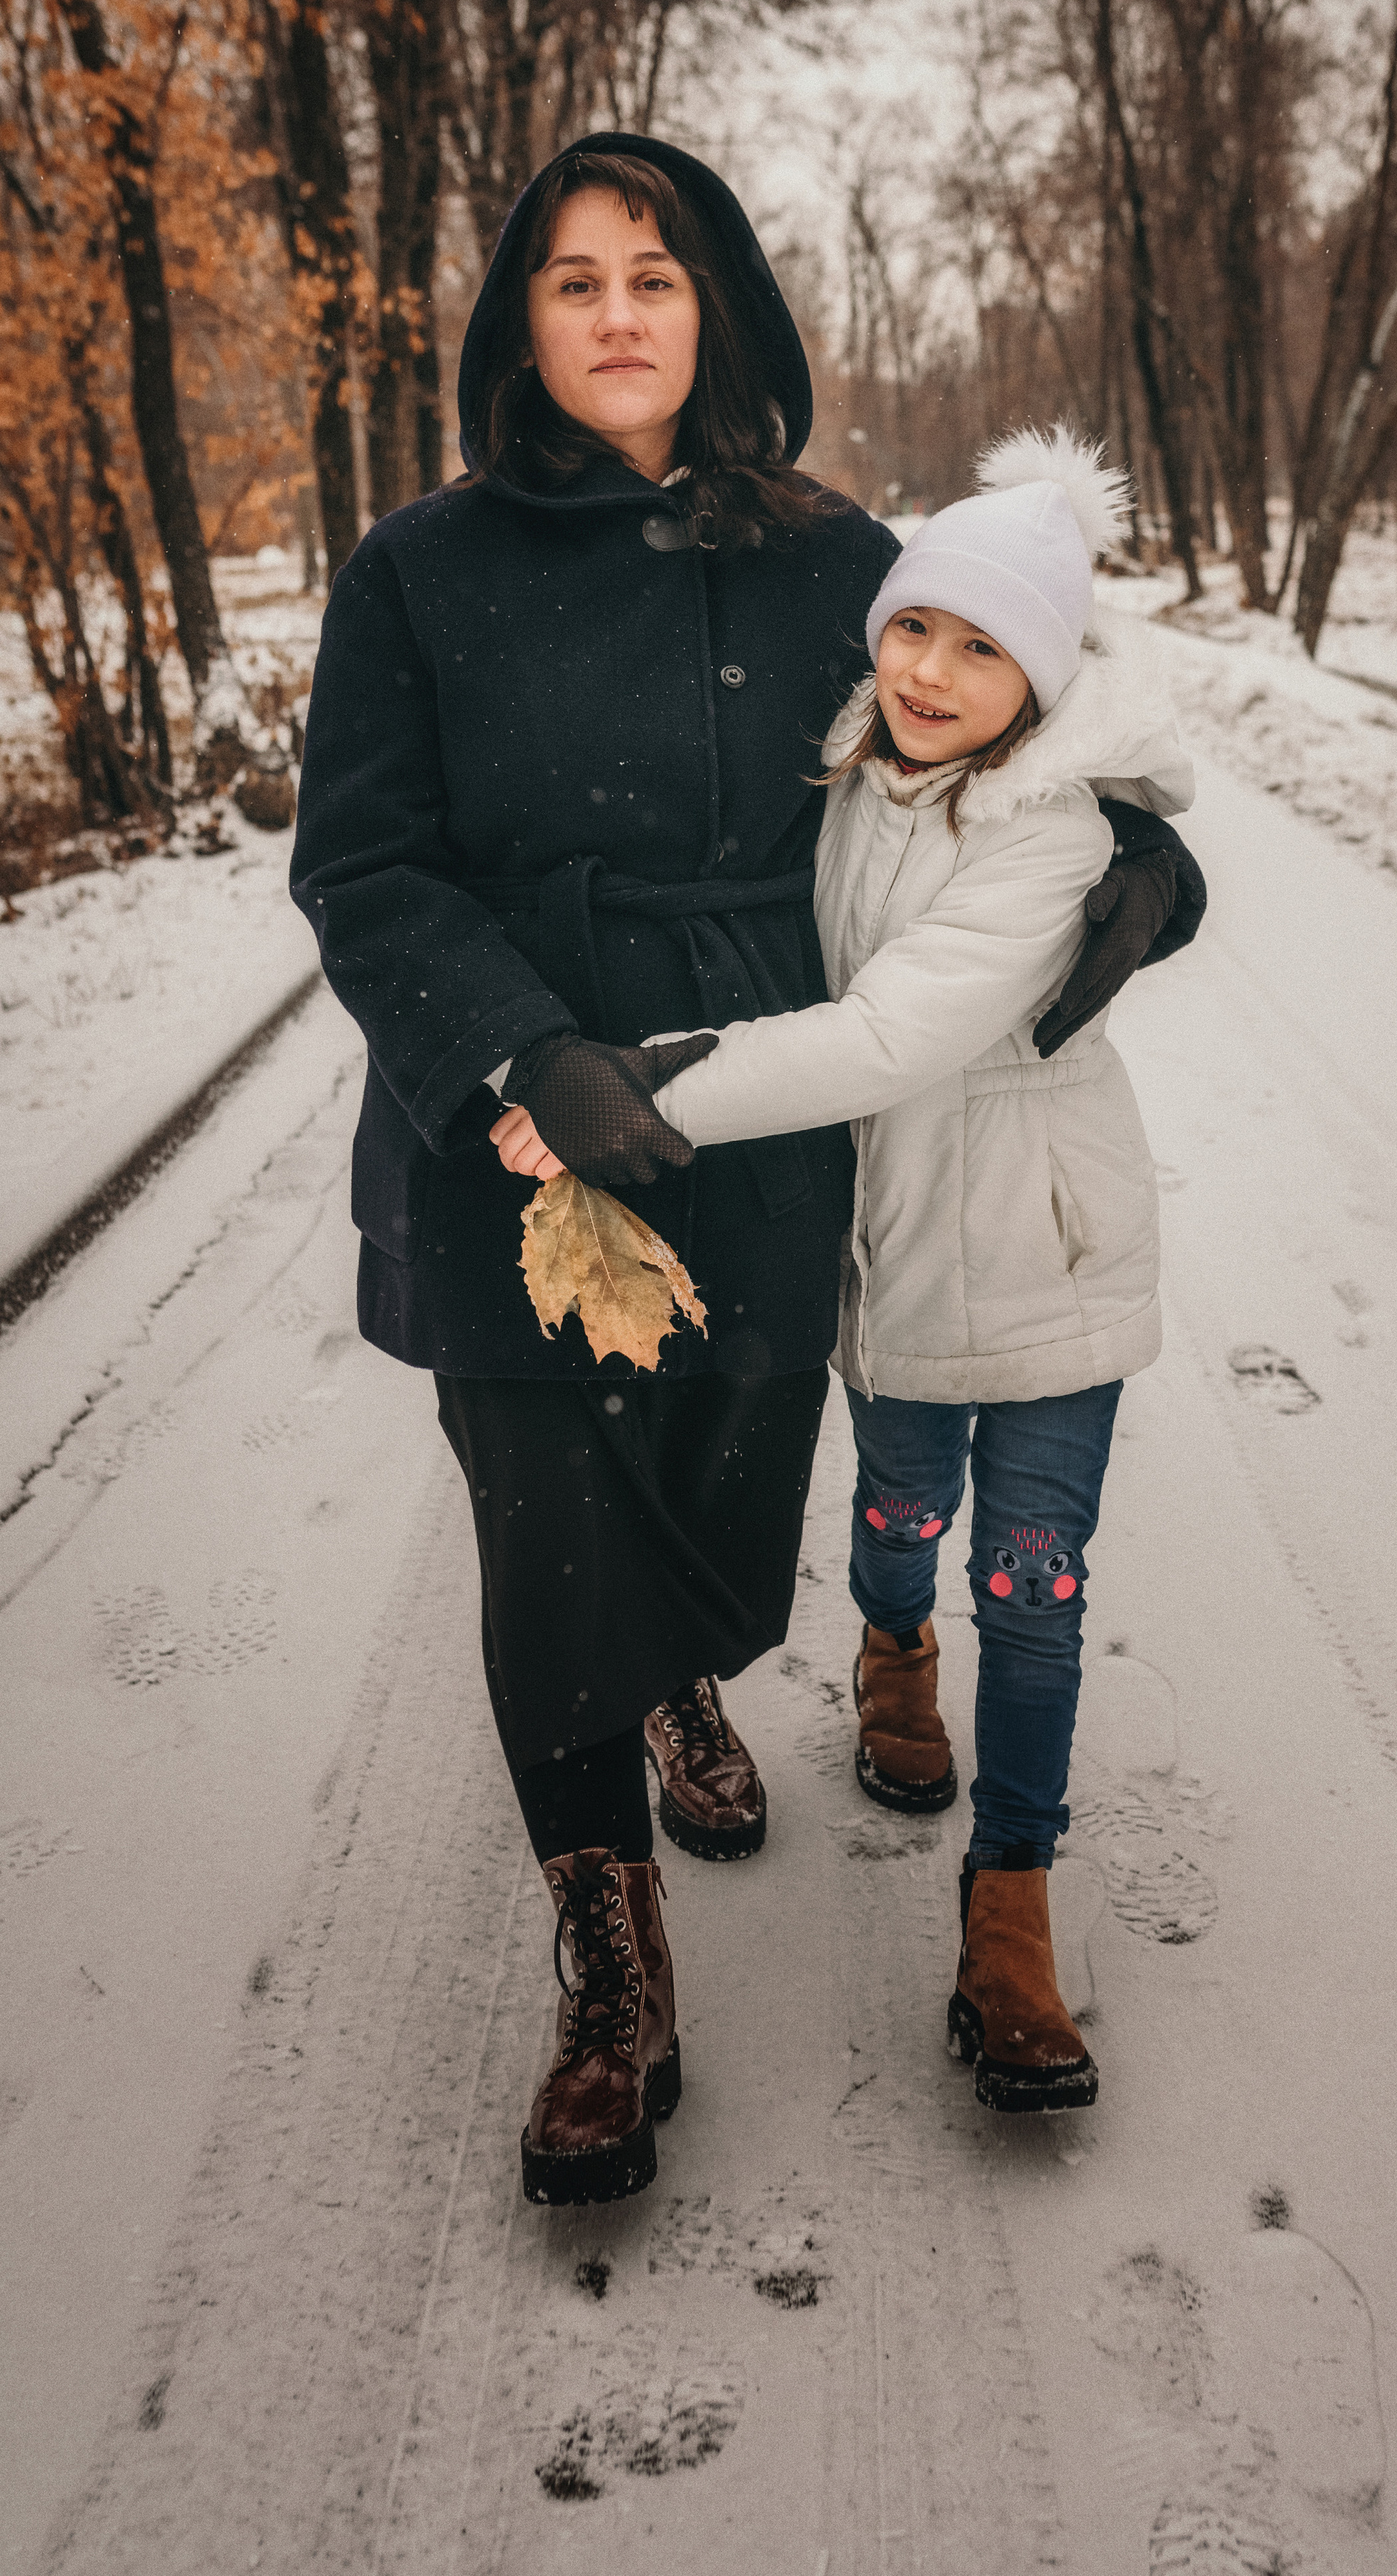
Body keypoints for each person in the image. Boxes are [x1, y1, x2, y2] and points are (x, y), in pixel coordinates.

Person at [293, 136, 1204, 2205]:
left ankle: (684, 1669)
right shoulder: (417, 569)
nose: (618, 312)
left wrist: (1148, 859)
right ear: (521, 324)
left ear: (723, 314)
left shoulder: (835, 556)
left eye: (660, 276)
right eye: (575, 280)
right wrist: (513, 1049)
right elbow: (360, 860)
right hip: (513, 1107)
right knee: (542, 1525)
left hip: (763, 1090)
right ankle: (610, 1957)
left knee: (714, 1473)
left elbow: (988, 731)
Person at [496, 430, 1194, 2117]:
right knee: (895, 1519)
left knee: (1032, 1584)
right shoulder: (847, 760)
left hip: (1041, 1258)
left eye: (982, 647)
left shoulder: (1047, 836)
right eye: (912, 629)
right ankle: (891, 1658)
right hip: (888, 1260)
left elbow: (885, 1033)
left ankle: (1010, 1908)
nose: (932, 671)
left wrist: (646, 1087)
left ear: (1046, 675)